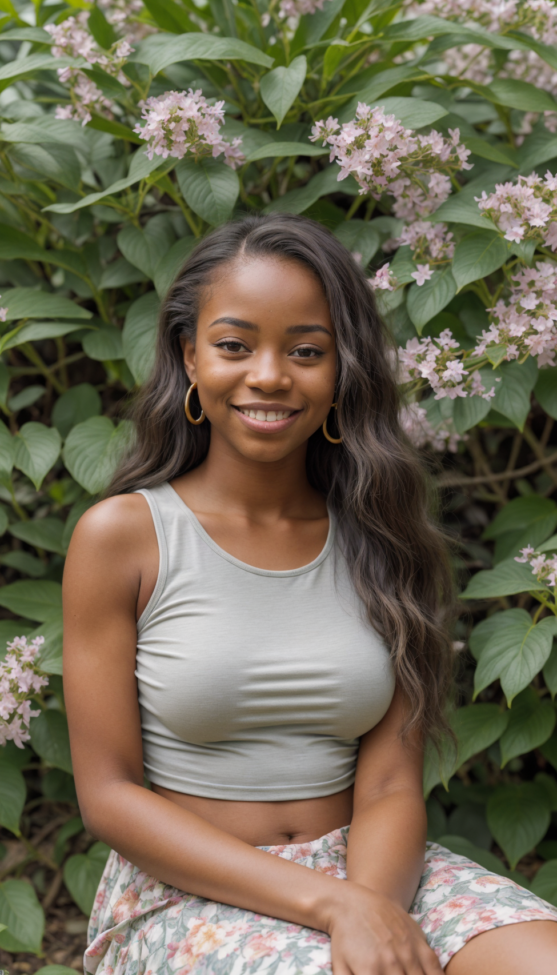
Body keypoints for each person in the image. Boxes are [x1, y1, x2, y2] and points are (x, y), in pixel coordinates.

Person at [63, 213, 557, 975]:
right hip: (191, 889)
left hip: (376, 871)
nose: (268, 375)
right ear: (188, 356)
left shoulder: (383, 539)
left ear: (341, 370)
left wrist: (368, 905)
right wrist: (335, 911)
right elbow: (109, 795)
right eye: (233, 345)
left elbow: (391, 783)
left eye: (305, 351)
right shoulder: (123, 537)